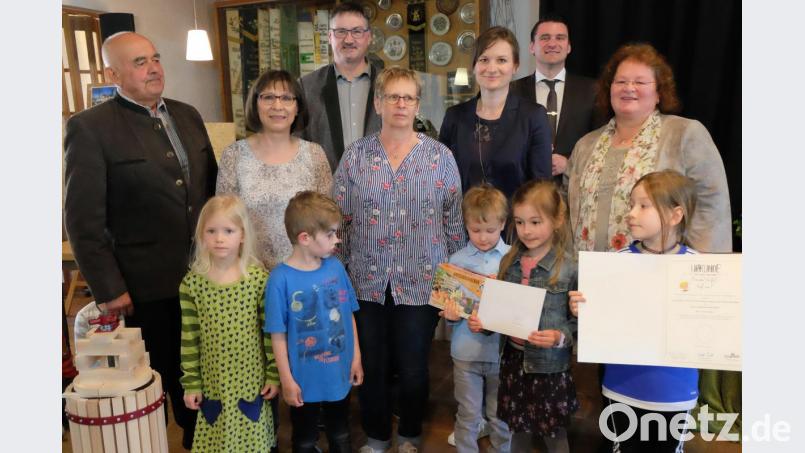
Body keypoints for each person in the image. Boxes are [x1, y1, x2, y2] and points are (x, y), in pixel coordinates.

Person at [63, 31, 217, 448]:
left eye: (155, 57)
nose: (153, 68)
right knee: (170, 375)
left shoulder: (187, 114)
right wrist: (110, 290)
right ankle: (189, 440)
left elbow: (211, 193)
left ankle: (209, 438)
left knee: (208, 370)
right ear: (112, 73)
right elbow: (82, 221)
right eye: (139, 62)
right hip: (146, 286)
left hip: (206, 276)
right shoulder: (89, 128)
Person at [333, 66, 466, 453]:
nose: (401, 104)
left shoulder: (440, 157)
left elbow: (454, 226)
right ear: (378, 103)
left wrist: (454, 292)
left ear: (417, 104)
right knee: (372, 367)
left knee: (412, 370)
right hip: (366, 281)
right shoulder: (356, 155)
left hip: (421, 280)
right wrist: (336, 280)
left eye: (408, 97)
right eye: (393, 96)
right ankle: (376, 435)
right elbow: (338, 221)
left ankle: (409, 432)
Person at [569, 170, 700, 452]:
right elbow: (600, 317)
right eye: (631, 205)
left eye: (643, 206)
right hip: (622, 386)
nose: (631, 213)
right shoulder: (617, 263)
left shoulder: (698, 268)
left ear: (675, 215)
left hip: (674, 390)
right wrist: (583, 309)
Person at [566, 43, 731, 255]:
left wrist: (698, 273)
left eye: (640, 82)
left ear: (659, 93)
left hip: (664, 274)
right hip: (592, 276)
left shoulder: (685, 134)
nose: (629, 87)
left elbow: (712, 208)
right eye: (621, 81)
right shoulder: (585, 145)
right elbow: (568, 209)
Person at [469, 180, 578, 453]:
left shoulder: (570, 268)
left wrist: (559, 337)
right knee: (517, 429)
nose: (526, 231)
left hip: (549, 368)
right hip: (513, 363)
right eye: (519, 222)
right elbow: (498, 316)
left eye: (535, 222)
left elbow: (579, 322)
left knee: (554, 435)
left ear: (557, 219)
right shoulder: (510, 262)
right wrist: (483, 323)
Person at [264, 191, 363, 453]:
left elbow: (348, 314)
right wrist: (286, 379)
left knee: (341, 435)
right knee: (304, 440)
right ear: (305, 238)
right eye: (330, 234)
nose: (337, 239)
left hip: (338, 374)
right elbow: (277, 334)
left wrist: (355, 358)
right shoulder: (279, 280)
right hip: (302, 381)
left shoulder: (336, 268)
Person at [179, 195, 279, 452]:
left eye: (228, 230)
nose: (220, 238)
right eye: (211, 231)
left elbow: (270, 333)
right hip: (213, 383)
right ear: (201, 235)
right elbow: (189, 339)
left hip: (250, 382)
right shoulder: (193, 284)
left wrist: (273, 374)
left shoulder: (258, 279)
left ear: (242, 235)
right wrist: (191, 383)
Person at [217, 69, 332, 270]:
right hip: (248, 278)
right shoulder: (233, 155)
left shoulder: (315, 154)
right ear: (255, 104)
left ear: (297, 107)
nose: (277, 106)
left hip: (305, 274)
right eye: (268, 97)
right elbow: (223, 221)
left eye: (287, 98)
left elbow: (328, 221)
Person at [439, 26, 552, 200]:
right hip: (463, 224)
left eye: (501, 60)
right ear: (474, 66)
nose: (491, 68)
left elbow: (541, 188)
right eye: (484, 59)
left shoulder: (533, 116)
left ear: (515, 66)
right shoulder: (454, 116)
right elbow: (442, 181)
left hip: (515, 224)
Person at [439, 185, 512, 453]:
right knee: (468, 414)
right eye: (475, 230)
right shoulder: (456, 260)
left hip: (501, 355)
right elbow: (447, 310)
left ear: (503, 223)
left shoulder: (512, 259)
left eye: (490, 230)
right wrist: (449, 315)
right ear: (465, 224)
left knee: (500, 415)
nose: (482, 238)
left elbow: (518, 312)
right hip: (465, 352)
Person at [510, 15, 601, 184]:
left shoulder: (593, 90)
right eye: (545, 38)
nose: (552, 43)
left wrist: (570, 165)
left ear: (568, 47)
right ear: (532, 47)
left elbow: (601, 143)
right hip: (524, 189)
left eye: (560, 38)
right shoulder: (512, 91)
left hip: (574, 191)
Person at [300, 1, 382, 171]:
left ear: (369, 37)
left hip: (382, 192)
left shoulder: (389, 85)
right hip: (324, 192)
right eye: (341, 32)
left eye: (357, 31)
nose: (349, 39)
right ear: (329, 37)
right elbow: (297, 145)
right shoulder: (306, 87)